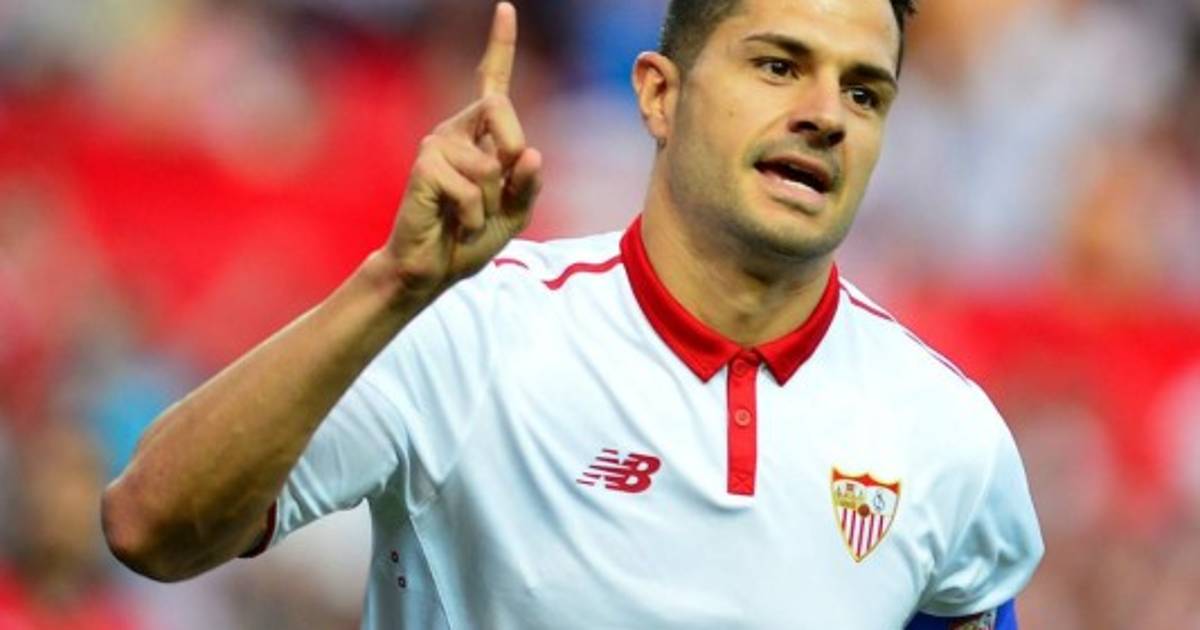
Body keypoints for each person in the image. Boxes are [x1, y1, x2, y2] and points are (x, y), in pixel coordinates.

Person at [101, 1, 1044, 628]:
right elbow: (151, 526)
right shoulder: (472, 328)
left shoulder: (950, 435)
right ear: (659, 95)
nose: (826, 114)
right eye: (778, 65)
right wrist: (392, 285)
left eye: (864, 91)